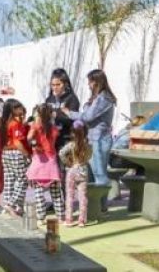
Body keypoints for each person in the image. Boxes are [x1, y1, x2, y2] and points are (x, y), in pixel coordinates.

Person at [67, 69, 116, 212]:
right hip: (93, 139)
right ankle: (96, 207)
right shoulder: (98, 97)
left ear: (97, 82)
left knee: (100, 175)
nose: (88, 85)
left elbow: (88, 116)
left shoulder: (104, 98)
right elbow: (87, 113)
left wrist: (69, 113)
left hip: (99, 140)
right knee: (93, 175)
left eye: (90, 82)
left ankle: (102, 208)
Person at [27, 104, 65, 225]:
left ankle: (41, 218)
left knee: (39, 193)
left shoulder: (35, 126)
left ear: (38, 114)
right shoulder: (53, 128)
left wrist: (34, 143)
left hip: (39, 161)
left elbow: (29, 138)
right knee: (56, 193)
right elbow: (54, 138)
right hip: (51, 162)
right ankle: (61, 216)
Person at [0, 99, 31, 217]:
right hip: (15, 153)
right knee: (23, 179)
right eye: (17, 108)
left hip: (6, 153)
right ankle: (11, 204)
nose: (20, 109)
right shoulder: (14, 124)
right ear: (11, 110)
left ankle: (8, 205)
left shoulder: (5, 122)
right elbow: (17, 142)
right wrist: (26, 154)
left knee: (9, 179)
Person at [60, 121, 92, 227]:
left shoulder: (71, 145)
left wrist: (68, 162)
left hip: (72, 170)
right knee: (83, 196)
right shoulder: (88, 146)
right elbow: (89, 157)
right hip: (83, 171)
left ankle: (69, 219)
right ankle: (82, 220)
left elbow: (61, 153)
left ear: (73, 133)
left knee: (70, 195)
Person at [46, 68, 81, 152]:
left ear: (65, 83)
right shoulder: (49, 99)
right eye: (53, 85)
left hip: (66, 139)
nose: (55, 87)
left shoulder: (72, 99)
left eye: (58, 84)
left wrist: (56, 115)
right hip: (51, 139)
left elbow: (72, 118)